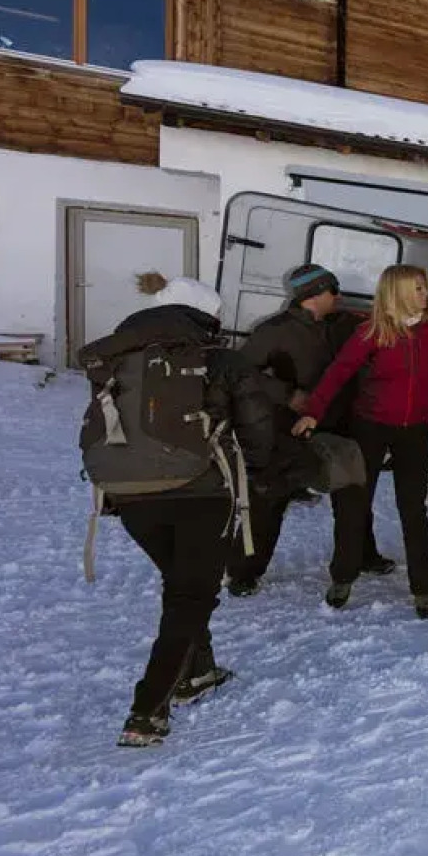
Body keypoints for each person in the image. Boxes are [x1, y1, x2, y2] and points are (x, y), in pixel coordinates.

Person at [78, 274, 273, 748]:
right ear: (206, 316)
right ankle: (148, 711)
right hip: (201, 492)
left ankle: (198, 670)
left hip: (127, 496)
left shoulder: (115, 358)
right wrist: (267, 472)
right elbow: (259, 430)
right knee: (189, 595)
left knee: (184, 584)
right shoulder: (220, 361)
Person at [295, 264, 428, 618]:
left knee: (412, 510)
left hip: (414, 430)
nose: (424, 294)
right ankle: (342, 577)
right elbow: (337, 373)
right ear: (397, 292)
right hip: (369, 427)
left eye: (424, 287)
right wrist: (313, 411)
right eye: (417, 288)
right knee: (355, 504)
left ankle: (425, 588)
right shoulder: (372, 332)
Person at [226, 263, 393, 596]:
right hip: (288, 430)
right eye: (334, 291)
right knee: (270, 499)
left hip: (343, 423)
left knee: (353, 494)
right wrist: (287, 396)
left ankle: (363, 555)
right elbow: (240, 372)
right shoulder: (274, 330)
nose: (340, 297)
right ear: (314, 294)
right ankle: (245, 571)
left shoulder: (345, 324)